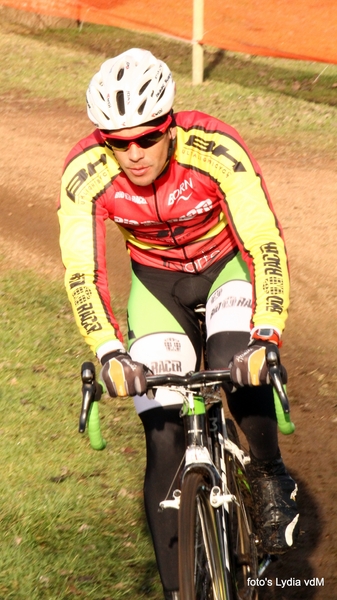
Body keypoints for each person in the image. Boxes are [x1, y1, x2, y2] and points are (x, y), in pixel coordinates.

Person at [58, 48, 299, 599]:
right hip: (156, 287)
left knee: (235, 363)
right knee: (162, 436)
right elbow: (82, 269)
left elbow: (263, 242)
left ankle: (266, 472)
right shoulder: (85, 173)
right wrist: (110, 350)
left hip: (226, 269)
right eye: (117, 143)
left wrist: (267, 334)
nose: (133, 153)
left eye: (146, 137)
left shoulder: (216, 149)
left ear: (169, 125)